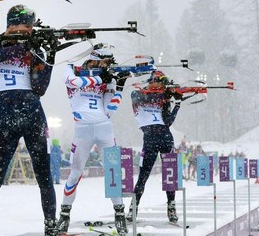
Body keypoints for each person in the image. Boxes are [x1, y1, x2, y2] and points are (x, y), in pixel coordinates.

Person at [0, 4, 58, 236]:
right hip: (4, 118)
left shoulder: (31, 50)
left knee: (44, 176)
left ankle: (51, 225)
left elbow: (40, 86)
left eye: (32, 27)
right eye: (27, 25)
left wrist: (49, 54)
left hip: (33, 115)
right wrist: (23, 45)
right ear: (12, 24)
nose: (30, 30)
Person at [57, 43, 129, 235]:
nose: (106, 67)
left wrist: (118, 86)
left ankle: (120, 216)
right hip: (82, 129)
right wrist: (98, 78)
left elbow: (109, 110)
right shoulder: (73, 68)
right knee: (75, 173)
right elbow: (72, 82)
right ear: (95, 59)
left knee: (113, 172)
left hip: (104, 129)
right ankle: (64, 216)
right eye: (104, 62)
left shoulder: (106, 77)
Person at [127, 70, 182, 224]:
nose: (160, 85)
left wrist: (177, 104)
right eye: (158, 81)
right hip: (149, 139)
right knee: (143, 176)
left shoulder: (163, 99)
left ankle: (171, 208)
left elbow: (168, 121)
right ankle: (133, 208)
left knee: (169, 176)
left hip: (165, 137)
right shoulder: (139, 94)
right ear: (151, 81)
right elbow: (140, 97)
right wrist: (164, 94)